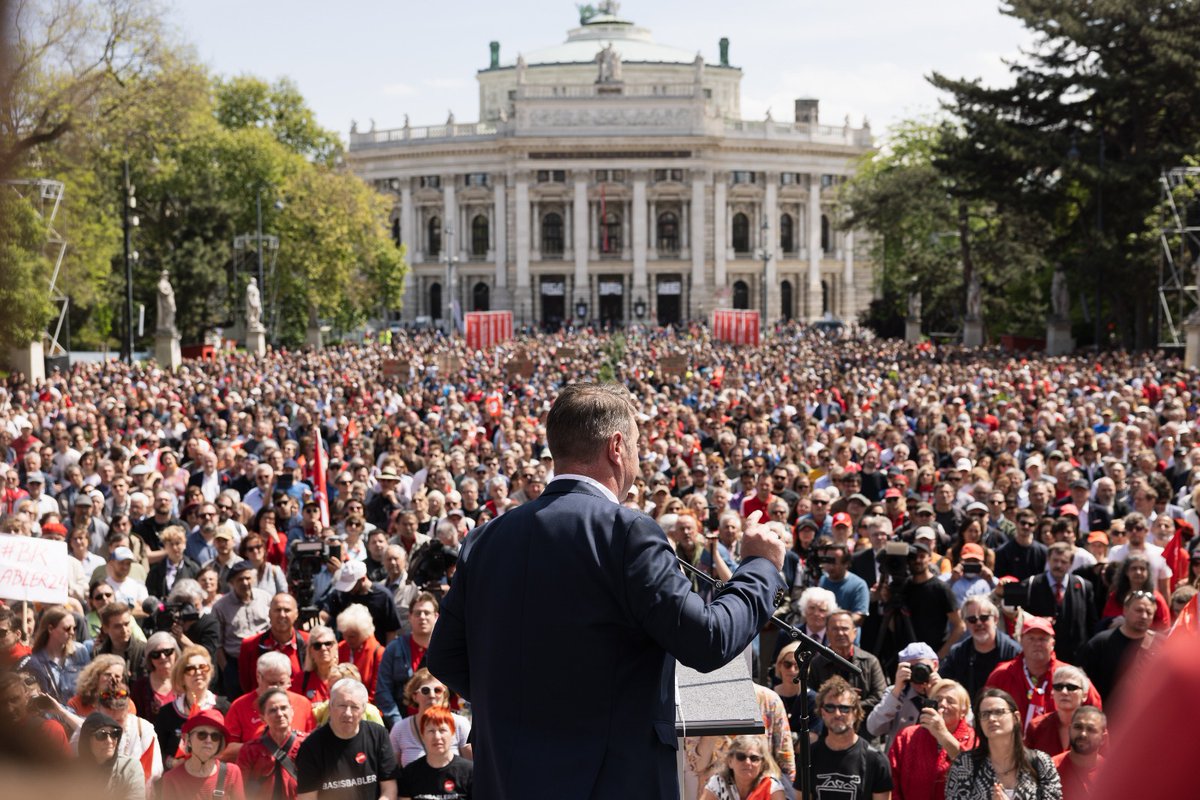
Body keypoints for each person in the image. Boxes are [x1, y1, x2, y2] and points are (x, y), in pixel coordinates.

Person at [426, 383, 785, 799]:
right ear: (617, 447)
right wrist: (759, 568)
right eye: (635, 445)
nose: (637, 459)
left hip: (509, 779)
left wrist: (522, 706)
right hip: (611, 781)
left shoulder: (487, 539)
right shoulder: (626, 532)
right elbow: (707, 639)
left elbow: (446, 656)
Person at [984, 616, 1100, 730]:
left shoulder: (1071, 677)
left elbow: (1095, 711)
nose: (1037, 643)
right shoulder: (1002, 675)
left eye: (1042, 639)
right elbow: (985, 711)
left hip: (1059, 746)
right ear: (1021, 640)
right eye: (1031, 638)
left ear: (1053, 643)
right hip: (1012, 746)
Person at [944, 688, 1062, 800]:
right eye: (985, 714)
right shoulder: (964, 765)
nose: (992, 718)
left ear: (1016, 717)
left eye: (999, 712)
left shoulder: (1041, 762)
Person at [295, 678, 398, 800]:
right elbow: (307, 797)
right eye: (342, 705)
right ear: (330, 706)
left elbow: (389, 788)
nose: (348, 713)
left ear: (364, 709)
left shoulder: (378, 735)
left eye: (354, 707)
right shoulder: (311, 746)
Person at [887, 679, 975, 800]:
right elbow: (892, 779)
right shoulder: (907, 736)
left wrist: (942, 733)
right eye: (938, 700)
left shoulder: (973, 739)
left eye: (950, 701)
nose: (943, 704)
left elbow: (972, 769)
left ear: (963, 711)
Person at [808, 675, 892, 800]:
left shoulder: (875, 759)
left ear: (856, 713)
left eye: (844, 708)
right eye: (830, 707)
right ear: (822, 712)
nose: (837, 714)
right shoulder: (810, 755)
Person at [223, 651, 315, 760]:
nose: (276, 689)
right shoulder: (239, 706)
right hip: (256, 772)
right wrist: (262, 747)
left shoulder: (302, 703)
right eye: (271, 683)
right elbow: (225, 750)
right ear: (258, 677)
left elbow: (313, 743)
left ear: (289, 680)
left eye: (281, 683)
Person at [938, 595, 1021, 712]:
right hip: (968, 716)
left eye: (984, 618)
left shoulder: (1014, 652)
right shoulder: (957, 653)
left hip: (1004, 715)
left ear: (996, 619)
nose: (978, 623)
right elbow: (944, 685)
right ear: (966, 624)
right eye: (972, 620)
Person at [806, 610, 887, 727]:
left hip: (864, 728)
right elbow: (811, 696)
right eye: (835, 629)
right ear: (827, 634)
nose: (840, 633)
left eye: (845, 628)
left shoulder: (870, 661)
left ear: (854, 633)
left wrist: (849, 706)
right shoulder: (817, 663)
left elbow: (880, 697)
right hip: (828, 729)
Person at [1021, 543, 1096, 664]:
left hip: (1074, 660)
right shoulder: (1030, 584)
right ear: (1048, 560)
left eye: (1063, 562)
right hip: (1039, 659)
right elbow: (1015, 617)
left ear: (1071, 563)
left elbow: (1091, 623)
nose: (1058, 565)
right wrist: (1037, 621)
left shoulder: (1083, 586)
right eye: (1055, 560)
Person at [1076, 589, 1156, 703]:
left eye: (1149, 612)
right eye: (1139, 610)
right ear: (1125, 610)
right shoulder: (1100, 644)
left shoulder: (1162, 646)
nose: (1144, 616)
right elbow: (1081, 682)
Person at [155, 645, 224, 768]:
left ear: (211, 671)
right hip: (178, 780)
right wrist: (173, 763)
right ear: (181, 678)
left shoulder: (224, 708)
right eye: (190, 669)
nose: (198, 672)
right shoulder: (167, 713)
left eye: (203, 667)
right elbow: (158, 751)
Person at [212, 560, 272, 698]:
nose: (245, 583)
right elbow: (218, 643)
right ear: (231, 583)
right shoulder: (220, 607)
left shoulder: (265, 598)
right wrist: (226, 669)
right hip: (236, 663)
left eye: (248, 578)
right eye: (240, 580)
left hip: (265, 657)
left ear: (254, 578)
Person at [866, 641, 940, 752]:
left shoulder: (949, 692)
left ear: (935, 665)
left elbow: (967, 724)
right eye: (912, 668)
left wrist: (939, 694)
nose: (918, 673)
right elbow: (873, 728)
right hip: (900, 761)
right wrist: (896, 692)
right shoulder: (896, 693)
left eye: (923, 667)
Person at [389, 668, 471, 768]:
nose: (432, 695)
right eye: (425, 690)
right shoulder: (400, 729)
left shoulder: (460, 723)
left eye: (437, 690)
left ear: (444, 695)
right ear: (414, 696)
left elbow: (472, 767)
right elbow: (393, 771)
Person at [236, 687, 309, 800]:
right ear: (262, 718)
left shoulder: (307, 745)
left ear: (292, 711)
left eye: (284, 708)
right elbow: (239, 791)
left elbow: (320, 784)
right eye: (272, 710)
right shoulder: (250, 750)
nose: (279, 714)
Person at [160, 708, 247, 800]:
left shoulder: (232, 773)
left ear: (220, 743)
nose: (208, 740)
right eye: (202, 734)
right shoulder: (172, 779)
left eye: (215, 736)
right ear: (188, 740)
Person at [395, 706, 473, 800]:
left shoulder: (470, 772)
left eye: (442, 730)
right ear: (423, 736)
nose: (437, 737)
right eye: (431, 731)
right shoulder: (409, 773)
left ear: (452, 734)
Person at [238, 592, 308, 695]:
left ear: (296, 614)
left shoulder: (310, 643)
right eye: (278, 610)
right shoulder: (250, 645)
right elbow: (247, 685)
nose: (282, 615)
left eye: (287, 610)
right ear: (269, 614)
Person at [26, 604, 92, 703]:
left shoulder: (80, 651)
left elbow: (90, 684)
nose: (72, 632)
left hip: (78, 714)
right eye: (67, 628)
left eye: (74, 628)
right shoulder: (36, 659)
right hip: (52, 715)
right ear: (50, 629)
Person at [1023, 665, 1091, 758]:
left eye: (1071, 687)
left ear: (1084, 695)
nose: (1064, 692)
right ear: (1052, 693)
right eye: (1058, 687)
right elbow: (1027, 767)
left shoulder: (1096, 730)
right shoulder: (1036, 727)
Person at [78, 710, 147, 800]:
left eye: (114, 734)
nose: (109, 741)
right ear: (87, 741)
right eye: (101, 735)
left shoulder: (130, 768)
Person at [697, 734, 786, 800]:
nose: (747, 762)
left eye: (754, 758)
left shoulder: (772, 787)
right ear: (730, 761)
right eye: (741, 757)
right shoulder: (718, 783)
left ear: (762, 764)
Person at [1051, 706, 1105, 800]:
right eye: (1078, 727)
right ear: (1069, 730)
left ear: (1103, 738)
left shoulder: (1111, 774)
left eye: (1091, 729)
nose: (1083, 734)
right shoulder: (1049, 770)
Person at [336, 604, 385, 700]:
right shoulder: (340, 647)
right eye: (344, 635)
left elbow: (377, 692)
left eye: (352, 636)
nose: (347, 639)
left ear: (364, 633)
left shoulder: (378, 653)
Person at [130, 631, 179, 722]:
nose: (163, 657)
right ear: (149, 659)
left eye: (167, 652)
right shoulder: (140, 686)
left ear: (175, 653)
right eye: (156, 654)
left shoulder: (185, 681)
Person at [293, 625, 340, 704]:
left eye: (328, 643)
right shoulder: (301, 680)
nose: (323, 648)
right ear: (310, 651)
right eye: (317, 645)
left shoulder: (345, 677)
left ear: (335, 647)